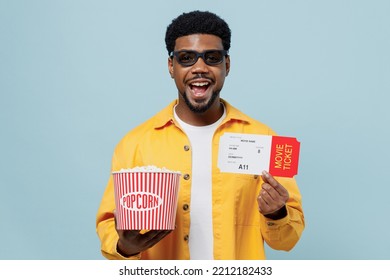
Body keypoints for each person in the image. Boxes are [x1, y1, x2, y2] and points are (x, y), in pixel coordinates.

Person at [96, 10, 305, 260]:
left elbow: (288, 239)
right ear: (171, 66)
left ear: (226, 65)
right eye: (186, 58)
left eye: (212, 58)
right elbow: (109, 227)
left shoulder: (266, 139)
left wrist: (277, 213)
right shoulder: (134, 144)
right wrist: (126, 247)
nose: (199, 68)